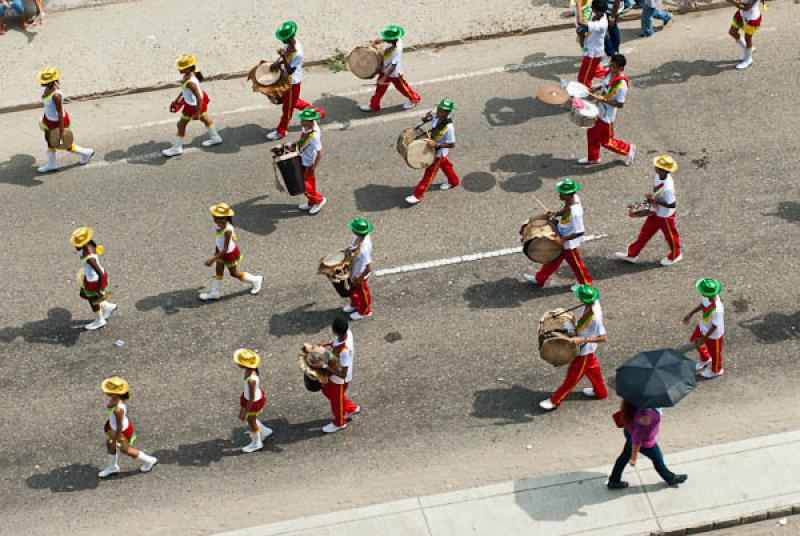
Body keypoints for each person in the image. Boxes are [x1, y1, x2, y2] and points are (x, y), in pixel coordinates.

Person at [540, 284, 609, 411]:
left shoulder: (595, 318)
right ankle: (601, 392)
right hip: (585, 348)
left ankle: (555, 400)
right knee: (592, 368)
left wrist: (581, 339)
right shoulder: (592, 302)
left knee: (573, 377)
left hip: (584, 349)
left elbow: (604, 337)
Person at [525, 179, 593, 290]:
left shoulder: (576, 213)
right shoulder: (573, 199)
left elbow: (580, 231)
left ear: (567, 194)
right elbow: (566, 209)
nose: (559, 195)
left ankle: (586, 283)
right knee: (553, 259)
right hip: (562, 235)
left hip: (568, 242)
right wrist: (556, 213)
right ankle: (540, 278)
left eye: (561, 193)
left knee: (576, 264)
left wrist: (562, 240)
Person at [615, 155, 682, 266]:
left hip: (665, 216)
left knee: (671, 237)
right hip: (656, 211)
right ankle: (632, 253)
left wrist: (654, 199)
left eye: (657, 166)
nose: (654, 166)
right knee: (645, 233)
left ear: (662, 169)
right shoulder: (658, 176)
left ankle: (676, 254)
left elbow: (672, 204)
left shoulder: (668, 187)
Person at [266, 21, 326, 141]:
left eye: (284, 39)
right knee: (293, 102)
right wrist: (277, 63)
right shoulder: (288, 45)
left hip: (292, 82)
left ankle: (281, 131)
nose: (282, 41)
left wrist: (283, 57)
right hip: (287, 80)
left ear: (289, 38)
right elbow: (286, 57)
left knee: (287, 108)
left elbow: (289, 70)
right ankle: (317, 112)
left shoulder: (298, 53)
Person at [607, 400, 688, 489]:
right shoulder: (645, 416)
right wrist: (634, 458)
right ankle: (671, 478)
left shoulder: (636, 401)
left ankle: (614, 480)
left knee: (625, 456)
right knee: (658, 458)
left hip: (630, 431)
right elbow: (637, 440)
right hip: (644, 443)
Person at [578, 54, 635, 166]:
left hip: (606, 116)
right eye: (610, 65)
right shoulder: (609, 73)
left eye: (613, 67)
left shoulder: (621, 85)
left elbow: (620, 104)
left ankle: (628, 149)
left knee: (607, 142)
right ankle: (593, 157)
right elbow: (605, 85)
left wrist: (603, 99)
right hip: (598, 109)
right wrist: (598, 87)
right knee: (592, 133)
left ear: (621, 69)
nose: (610, 68)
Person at [198, 203, 263, 301]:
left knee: (234, 273)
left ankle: (256, 280)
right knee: (219, 270)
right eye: (215, 217)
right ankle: (215, 292)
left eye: (219, 218)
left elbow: (226, 249)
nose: (216, 219)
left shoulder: (227, 230)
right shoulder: (220, 225)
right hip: (220, 251)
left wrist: (212, 260)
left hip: (228, 254)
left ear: (226, 218)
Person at [162, 54, 222, 157]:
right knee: (205, 119)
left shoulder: (190, 82)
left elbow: (199, 97)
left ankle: (176, 148)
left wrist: (197, 113)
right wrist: (178, 98)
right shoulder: (191, 74)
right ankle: (215, 137)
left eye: (182, 68)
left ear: (189, 68)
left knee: (181, 125)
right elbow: (186, 91)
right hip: (195, 103)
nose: (179, 70)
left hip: (193, 106)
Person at [36, 67, 95, 173]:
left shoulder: (56, 96)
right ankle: (52, 164)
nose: (42, 84)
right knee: (49, 141)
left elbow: (59, 113)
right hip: (49, 120)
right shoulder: (48, 89)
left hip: (58, 122)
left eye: (45, 82)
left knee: (64, 144)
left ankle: (86, 153)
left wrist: (62, 131)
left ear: (51, 82)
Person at [97, 376, 158, 478]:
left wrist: (116, 439)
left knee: (126, 450)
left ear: (114, 394)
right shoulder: (115, 399)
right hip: (114, 428)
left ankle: (149, 460)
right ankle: (112, 466)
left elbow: (119, 425)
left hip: (120, 432)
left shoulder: (118, 409)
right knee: (109, 444)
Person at [405, 99, 460, 205]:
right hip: (435, 149)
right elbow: (427, 120)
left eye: (442, 110)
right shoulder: (436, 117)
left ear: (448, 112)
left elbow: (452, 144)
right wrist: (425, 118)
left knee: (429, 174)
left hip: (438, 152)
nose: (439, 110)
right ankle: (454, 181)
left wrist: (437, 145)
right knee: (445, 165)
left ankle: (418, 195)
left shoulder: (449, 128)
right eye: (439, 108)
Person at [310, 318, 360, 434]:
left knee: (335, 402)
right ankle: (350, 408)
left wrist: (324, 366)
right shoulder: (346, 333)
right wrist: (327, 343)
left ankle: (339, 422)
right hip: (333, 374)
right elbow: (337, 342)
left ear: (335, 330)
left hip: (339, 380)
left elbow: (343, 374)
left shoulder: (344, 352)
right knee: (327, 391)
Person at [358, 25, 421, 112]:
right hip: (385, 70)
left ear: (393, 39)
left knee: (403, 88)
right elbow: (386, 40)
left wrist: (383, 78)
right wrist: (378, 41)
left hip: (394, 73)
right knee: (380, 88)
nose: (385, 39)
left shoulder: (396, 50)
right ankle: (374, 105)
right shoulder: (394, 40)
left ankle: (414, 99)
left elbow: (393, 66)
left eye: (387, 38)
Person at [70, 227, 117, 331]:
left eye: (77, 244)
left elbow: (99, 273)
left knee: (92, 301)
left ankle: (100, 320)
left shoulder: (90, 259)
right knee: (84, 294)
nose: (75, 246)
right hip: (92, 278)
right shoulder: (90, 245)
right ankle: (107, 306)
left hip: (94, 281)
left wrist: (99, 290)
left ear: (83, 244)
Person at [683, 278, 725, 379]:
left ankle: (716, 370)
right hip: (703, 327)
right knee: (694, 341)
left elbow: (714, 326)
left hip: (714, 336)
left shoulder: (717, 309)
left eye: (702, 292)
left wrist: (704, 339)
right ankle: (705, 358)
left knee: (715, 354)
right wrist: (691, 313)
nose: (701, 293)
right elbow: (703, 305)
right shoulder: (707, 297)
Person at [233, 348, 273, 453]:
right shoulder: (252, 370)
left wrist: (245, 411)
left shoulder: (251, 380)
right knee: (253, 418)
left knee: (251, 421)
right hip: (254, 398)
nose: (237, 363)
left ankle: (256, 443)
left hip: (252, 402)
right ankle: (264, 431)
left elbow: (251, 398)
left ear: (245, 365)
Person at [296, 108, 327, 215]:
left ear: (310, 121)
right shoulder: (307, 127)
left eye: (303, 120)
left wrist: (314, 166)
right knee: (309, 183)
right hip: (303, 157)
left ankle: (319, 200)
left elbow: (320, 152)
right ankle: (311, 202)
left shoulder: (314, 136)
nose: (300, 121)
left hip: (308, 162)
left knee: (303, 186)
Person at [343, 217, 374, 321]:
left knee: (363, 292)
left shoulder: (363, 249)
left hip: (359, 274)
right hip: (354, 270)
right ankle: (355, 304)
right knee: (353, 290)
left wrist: (359, 277)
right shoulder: (360, 238)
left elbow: (369, 267)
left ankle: (365, 310)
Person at [577, 0, 609, 88]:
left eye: (592, 8)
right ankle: (610, 75)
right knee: (592, 71)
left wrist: (579, 5)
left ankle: (584, 90)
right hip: (589, 49)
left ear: (598, 11)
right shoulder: (599, 14)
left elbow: (580, 22)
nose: (591, 9)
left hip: (593, 54)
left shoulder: (601, 24)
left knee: (583, 77)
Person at [728, 0, 763, 70]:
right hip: (741, 15)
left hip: (752, 19)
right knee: (732, 32)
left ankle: (748, 60)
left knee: (748, 39)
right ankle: (749, 50)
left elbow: (746, 7)